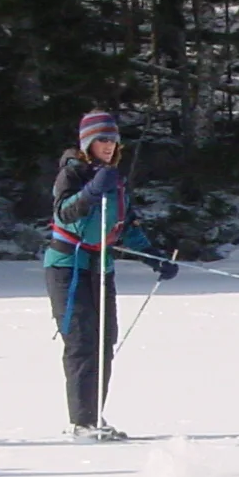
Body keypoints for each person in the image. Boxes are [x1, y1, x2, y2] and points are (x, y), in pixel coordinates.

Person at [43, 110, 175, 439]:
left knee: (104, 342)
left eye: (113, 139)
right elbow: (64, 212)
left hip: (101, 266)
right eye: (102, 139)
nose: (109, 145)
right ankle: (81, 423)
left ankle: (94, 419)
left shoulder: (114, 179)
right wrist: (89, 193)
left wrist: (154, 257)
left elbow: (125, 224)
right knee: (82, 342)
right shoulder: (72, 172)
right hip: (67, 267)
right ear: (87, 142)